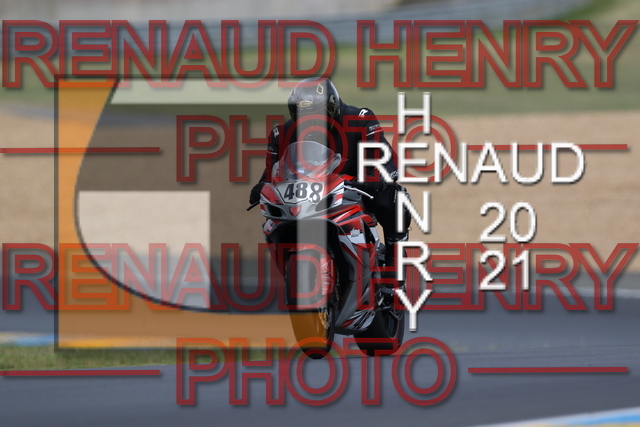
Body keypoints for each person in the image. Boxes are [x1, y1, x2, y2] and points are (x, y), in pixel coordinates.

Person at [249, 77, 411, 285]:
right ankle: (292, 266)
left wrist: (377, 178)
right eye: (302, 114)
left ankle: (393, 269)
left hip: (356, 189)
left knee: (395, 198)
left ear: (333, 108)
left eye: (317, 114)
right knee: (271, 219)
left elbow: (384, 157)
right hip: (308, 194)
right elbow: (273, 170)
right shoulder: (282, 133)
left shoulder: (360, 119)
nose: (310, 121)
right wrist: (262, 186)